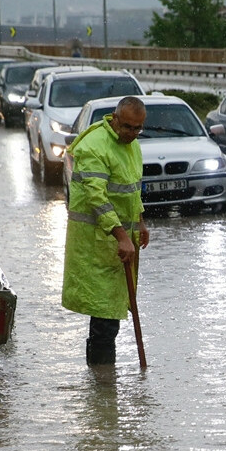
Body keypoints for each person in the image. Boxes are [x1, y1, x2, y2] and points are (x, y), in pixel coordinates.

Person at [61, 96, 150, 366]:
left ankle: (102, 386)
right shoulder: (94, 146)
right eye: (127, 127)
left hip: (119, 244)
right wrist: (122, 236)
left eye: (138, 129)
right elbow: (97, 199)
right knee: (104, 317)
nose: (132, 134)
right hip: (96, 244)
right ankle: (102, 387)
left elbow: (132, 189)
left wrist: (141, 221)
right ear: (114, 118)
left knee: (110, 313)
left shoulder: (131, 146)